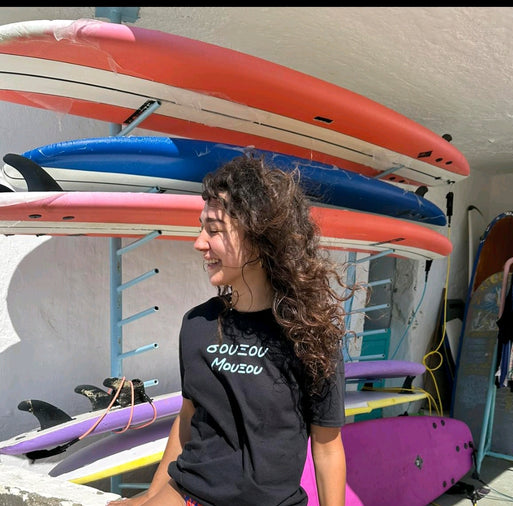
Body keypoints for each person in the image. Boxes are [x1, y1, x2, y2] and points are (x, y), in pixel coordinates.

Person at [108, 154, 357, 505]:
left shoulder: (311, 336)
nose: (199, 243)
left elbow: (327, 447)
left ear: (259, 235)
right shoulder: (197, 324)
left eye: (214, 230)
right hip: (189, 495)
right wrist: (150, 496)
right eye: (201, 229)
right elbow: (188, 416)